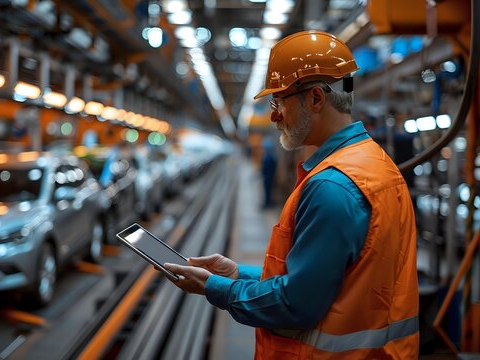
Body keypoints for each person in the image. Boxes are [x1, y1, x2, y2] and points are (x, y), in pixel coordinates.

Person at [164, 30, 419, 359]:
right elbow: (327, 278)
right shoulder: (374, 163)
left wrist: (213, 287)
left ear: (315, 98)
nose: (274, 116)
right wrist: (239, 274)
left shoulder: (333, 187)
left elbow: (295, 304)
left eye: (279, 101)